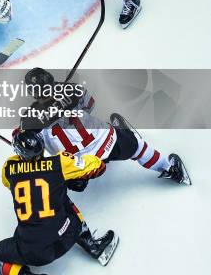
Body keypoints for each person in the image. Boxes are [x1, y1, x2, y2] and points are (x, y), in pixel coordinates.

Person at [0, 128, 118, 275]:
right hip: (68, 234)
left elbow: (7, 182)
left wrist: (25, 166)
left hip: (35, 253)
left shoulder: (8, 169)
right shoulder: (60, 164)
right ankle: (91, 244)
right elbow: (95, 164)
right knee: (60, 195)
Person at [21, 68, 191, 187]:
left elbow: (34, 149)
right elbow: (90, 105)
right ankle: (170, 168)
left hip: (79, 167)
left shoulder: (28, 120)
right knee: (137, 147)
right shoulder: (70, 89)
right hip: (107, 142)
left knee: (58, 170)